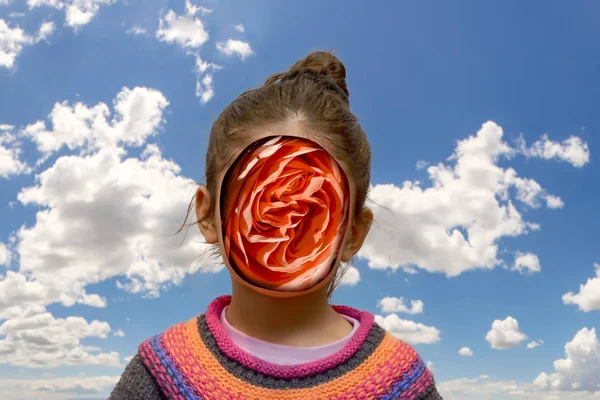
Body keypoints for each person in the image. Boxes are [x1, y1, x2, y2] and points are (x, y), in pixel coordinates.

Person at [109, 51, 442, 400]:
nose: (288, 221)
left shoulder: (400, 383)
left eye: (312, 204)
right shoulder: (161, 374)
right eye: (258, 190)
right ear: (208, 216)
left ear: (353, 234)